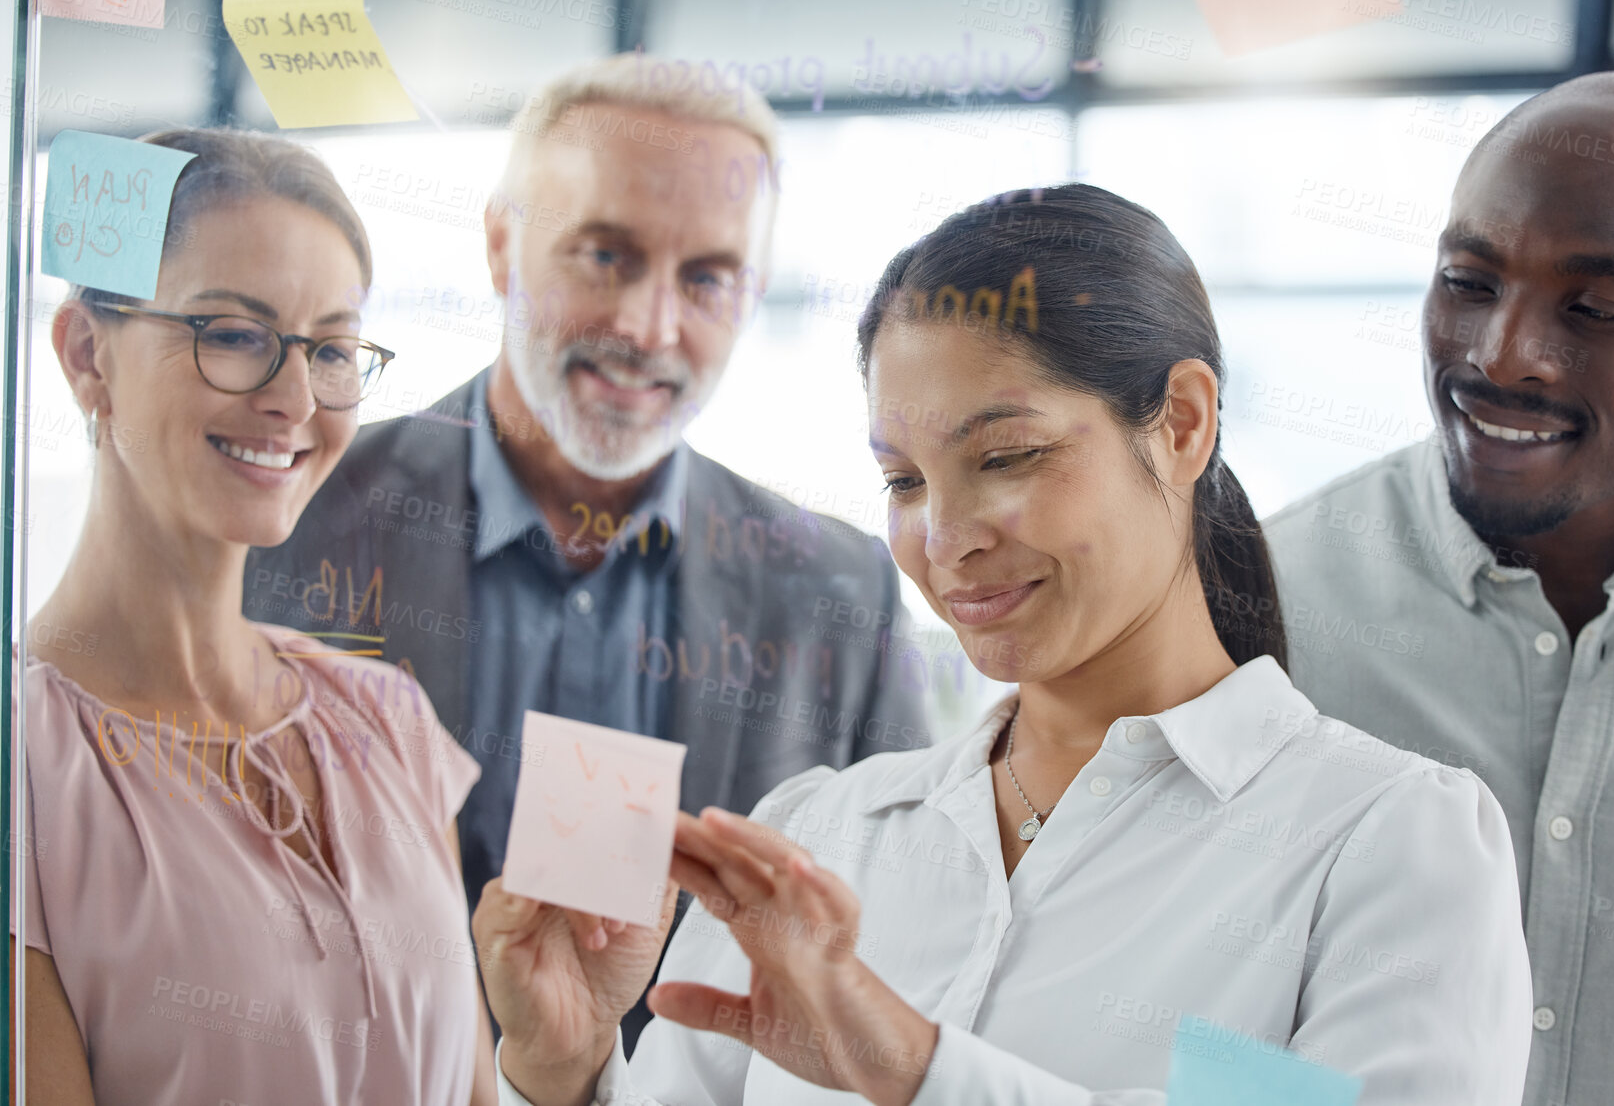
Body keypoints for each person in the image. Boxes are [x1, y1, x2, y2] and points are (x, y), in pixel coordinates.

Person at [471, 184, 1533, 1106]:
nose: (944, 539)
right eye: (903, 481)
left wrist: (911, 1067)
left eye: (1007, 456)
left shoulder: (1384, 845)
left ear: (1183, 423)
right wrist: (559, 1069)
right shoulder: (818, 837)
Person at [244, 58, 931, 1053]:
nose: (648, 327)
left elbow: (896, 957)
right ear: (499, 244)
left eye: (706, 278)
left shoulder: (839, 591)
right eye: (604, 256)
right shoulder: (293, 520)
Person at [1264, 71, 1614, 1105]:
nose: (1505, 355)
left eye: (1599, 308)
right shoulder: (1266, 604)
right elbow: (1179, 996)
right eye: (1470, 284)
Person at [15, 129, 493, 1103]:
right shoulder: (25, 770)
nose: (292, 398)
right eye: (233, 334)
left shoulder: (387, 723)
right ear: (85, 355)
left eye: (329, 348)